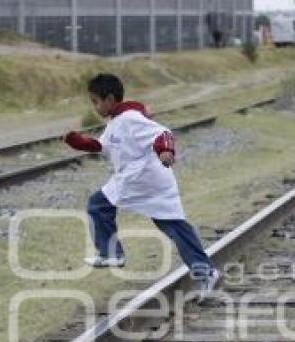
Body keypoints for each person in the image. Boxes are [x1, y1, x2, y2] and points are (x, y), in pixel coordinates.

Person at [63, 73, 220, 301]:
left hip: (142, 178)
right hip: (147, 182)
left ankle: (111, 253)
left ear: (109, 98)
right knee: (175, 228)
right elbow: (102, 146)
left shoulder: (130, 118)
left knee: (98, 204)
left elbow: (161, 133)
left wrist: (165, 150)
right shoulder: (116, 122)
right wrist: (77, 141)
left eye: (95, 101)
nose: (95, 106)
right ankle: (206, 272)